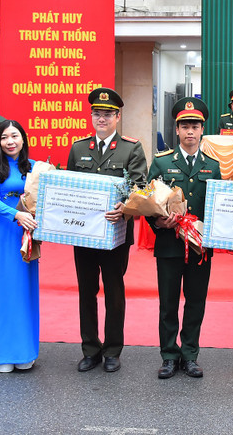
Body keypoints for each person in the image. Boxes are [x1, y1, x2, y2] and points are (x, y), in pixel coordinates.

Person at [67, 87, 148, 373]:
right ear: (91, 117)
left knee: (114, 291)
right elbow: (70, 189)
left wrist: (124, 209)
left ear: (118, 117)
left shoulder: (131, 148)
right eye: (97, 114)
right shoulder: (78, 148)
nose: (101, 119)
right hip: (84, 233)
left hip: (115, 233)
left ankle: (113, 349)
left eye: (107, 115)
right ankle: (90, 348)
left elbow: (139, 187)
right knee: (86, 291)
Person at [147, 98, 221, 379]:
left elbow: (218, 207)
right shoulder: (162, 162)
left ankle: (189, 354)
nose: (190, 131)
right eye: (185, 126)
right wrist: (157, 221)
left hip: (199, 248)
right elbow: (145, 200)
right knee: (168, 303)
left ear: (202, 130)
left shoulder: (212, 166)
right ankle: (168, 355)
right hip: (168, 244)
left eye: (195, 126)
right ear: (176, 130)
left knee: (195, 302)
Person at [0, 120, 40, 373]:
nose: (10, 141)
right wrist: (17, 215)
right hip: (5, 232)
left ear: (23, 139)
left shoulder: (35, 167)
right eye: (4, 137)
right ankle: (1, 353)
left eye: (14, 136)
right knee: (3, 289)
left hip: (27, 233)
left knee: (24, 290)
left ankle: (24, 351)